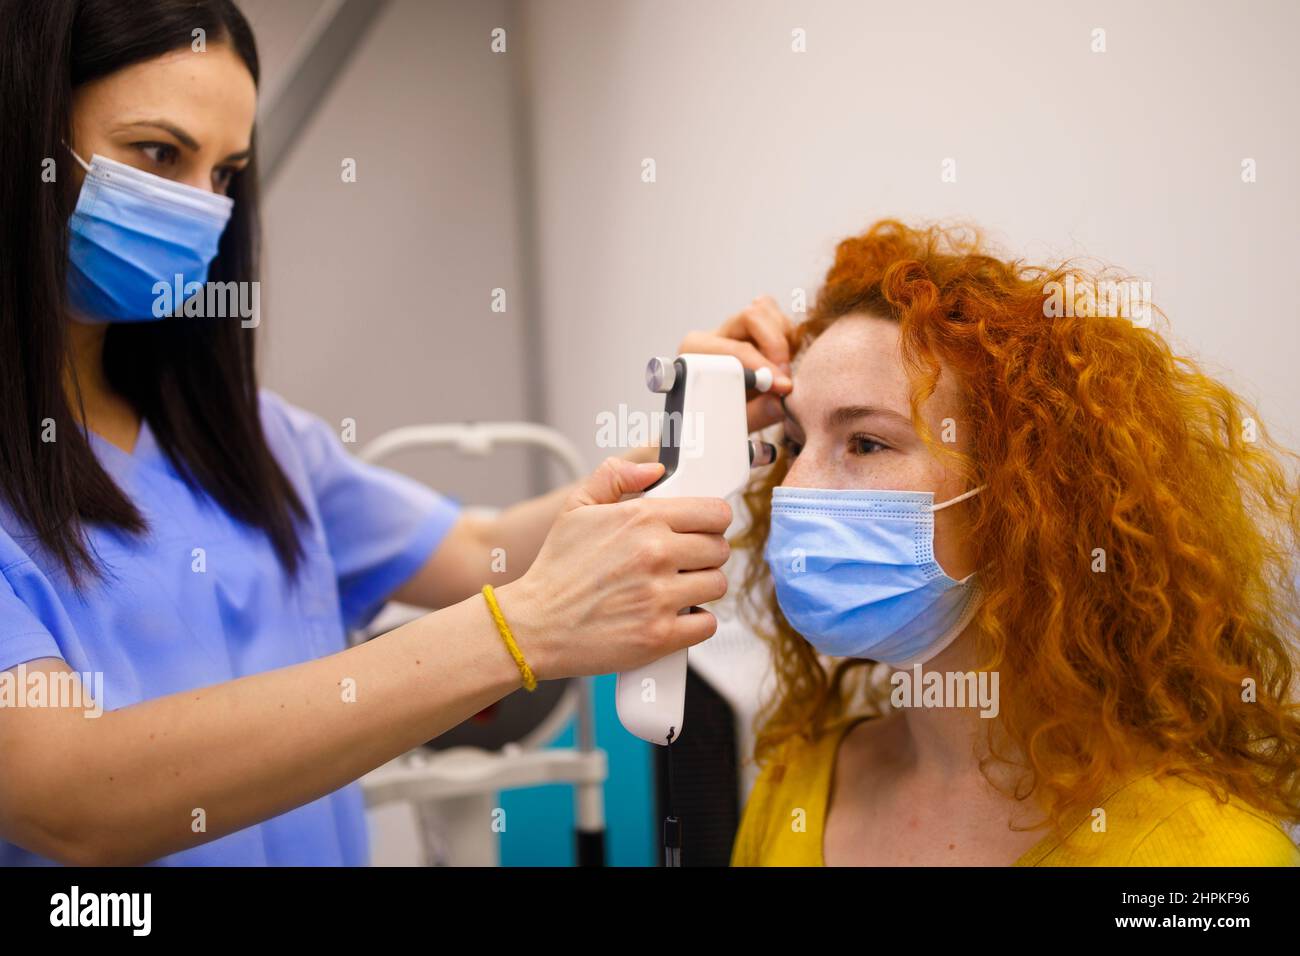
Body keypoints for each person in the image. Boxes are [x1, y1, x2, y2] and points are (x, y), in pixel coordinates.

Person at [0, 0, 794, 865]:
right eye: (158, 154)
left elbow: (482, 549)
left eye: (225, 175)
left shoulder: (250, 439)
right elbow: (66, 798)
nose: (203, 211)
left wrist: (700, 440)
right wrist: (520, 630)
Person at [725, 220, 1300, 866]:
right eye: (797, 443)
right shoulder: (795, 786)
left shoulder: (1207, 858)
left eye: (865, 442)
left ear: (1015, 499)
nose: (794, 488)